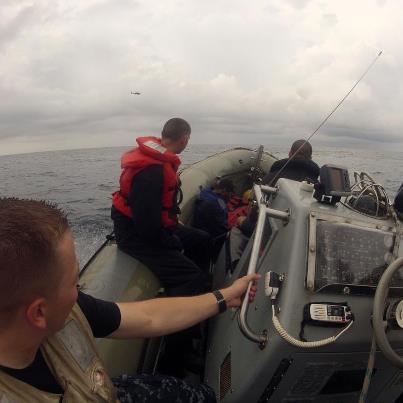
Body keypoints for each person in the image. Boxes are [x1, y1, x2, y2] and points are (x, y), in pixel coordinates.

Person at [0, 198, 260, 402]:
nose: (78, 289)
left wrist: (224, 297)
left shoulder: (70, 309)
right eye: (73, 282)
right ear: (38, 313)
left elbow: (148, 317)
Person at [111, 117, 210, 298]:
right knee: (191, 277)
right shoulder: (152, 172)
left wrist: (172, 226)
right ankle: (185, 314)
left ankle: (203, 282)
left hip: (150, 225)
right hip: (134, 235)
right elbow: (147, 227)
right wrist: (172, 242)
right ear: (185, 139)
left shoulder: (158, 160)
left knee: (202, 239)